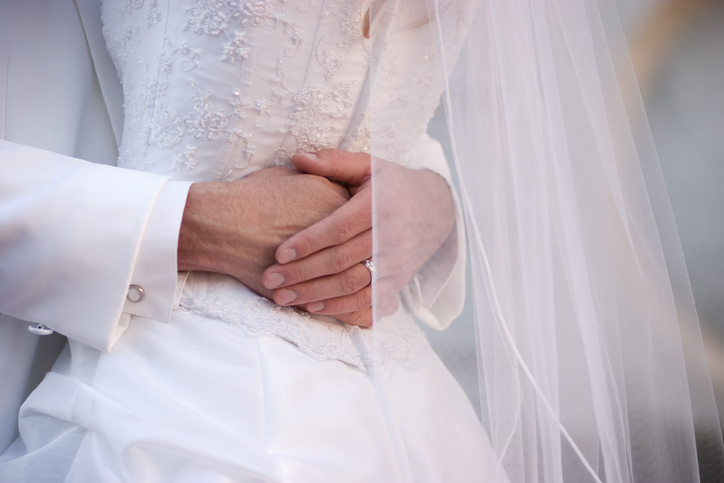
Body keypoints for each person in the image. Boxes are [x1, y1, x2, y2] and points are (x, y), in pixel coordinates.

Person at [0, 0, 504, 481]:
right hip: (170, 406)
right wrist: (187, 224)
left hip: (416, 412)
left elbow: (380, 99)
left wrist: (433, 201)